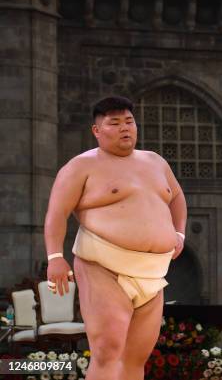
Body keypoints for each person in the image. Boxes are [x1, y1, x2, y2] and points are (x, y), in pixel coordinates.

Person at [43, 96, 187, 380]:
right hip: (103, 265)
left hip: (152, 272)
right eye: (115, 123)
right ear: (97, 130)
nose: (125, 128)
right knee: (108, 349)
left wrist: (179, 232)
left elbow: (178, 197)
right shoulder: (80, 166)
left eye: (129, 122)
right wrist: (55, 257)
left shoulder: (155, 162)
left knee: (136, 357)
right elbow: (56, 213)